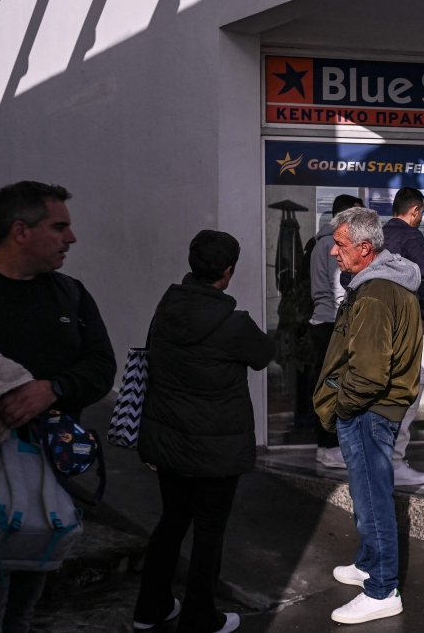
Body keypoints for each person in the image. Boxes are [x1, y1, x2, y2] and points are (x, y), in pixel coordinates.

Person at [0, 181, 116, 633]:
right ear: (20, 231)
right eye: (59, 227)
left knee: (22, 611)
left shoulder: (70, 295)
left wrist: (53, 388)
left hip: (43, 483)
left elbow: (101, 367)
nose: (71, 238)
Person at [134, 231, 276, 633]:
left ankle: (150, 608)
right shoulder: (234, 325)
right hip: (216, 449)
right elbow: (265, 355)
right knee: (209, 533)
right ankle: (199, 616)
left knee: (172, 522)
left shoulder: (166, 308)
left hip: (168, 441)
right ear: (227, 272)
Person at [312, 208, 422, 624]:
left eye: (340, 245)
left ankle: (381, 589)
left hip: (368, 411)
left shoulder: (375, 293)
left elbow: (369, 371)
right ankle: (368, 563)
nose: (332, 253)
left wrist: (343, 407)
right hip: (373, 409)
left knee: (372, 499)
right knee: (367, 496)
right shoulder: (383, 284)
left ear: (364, 248)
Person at [381, 187, 424, 486]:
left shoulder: (378, 235)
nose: (420, 218)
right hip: (408, 328)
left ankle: (382, 460)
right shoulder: (410, 235)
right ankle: (394, 461)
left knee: (384, 391)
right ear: (414, 211)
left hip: (379, 328)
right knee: (411, 391)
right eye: (422, 213)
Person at [309, 194, 364, 469]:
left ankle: (325, 447)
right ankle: (331, 448)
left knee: (326, 385)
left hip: (322, 322)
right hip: (333, 323)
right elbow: (339, 288)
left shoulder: (320, 241)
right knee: (335, 387)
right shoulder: (334, 242)